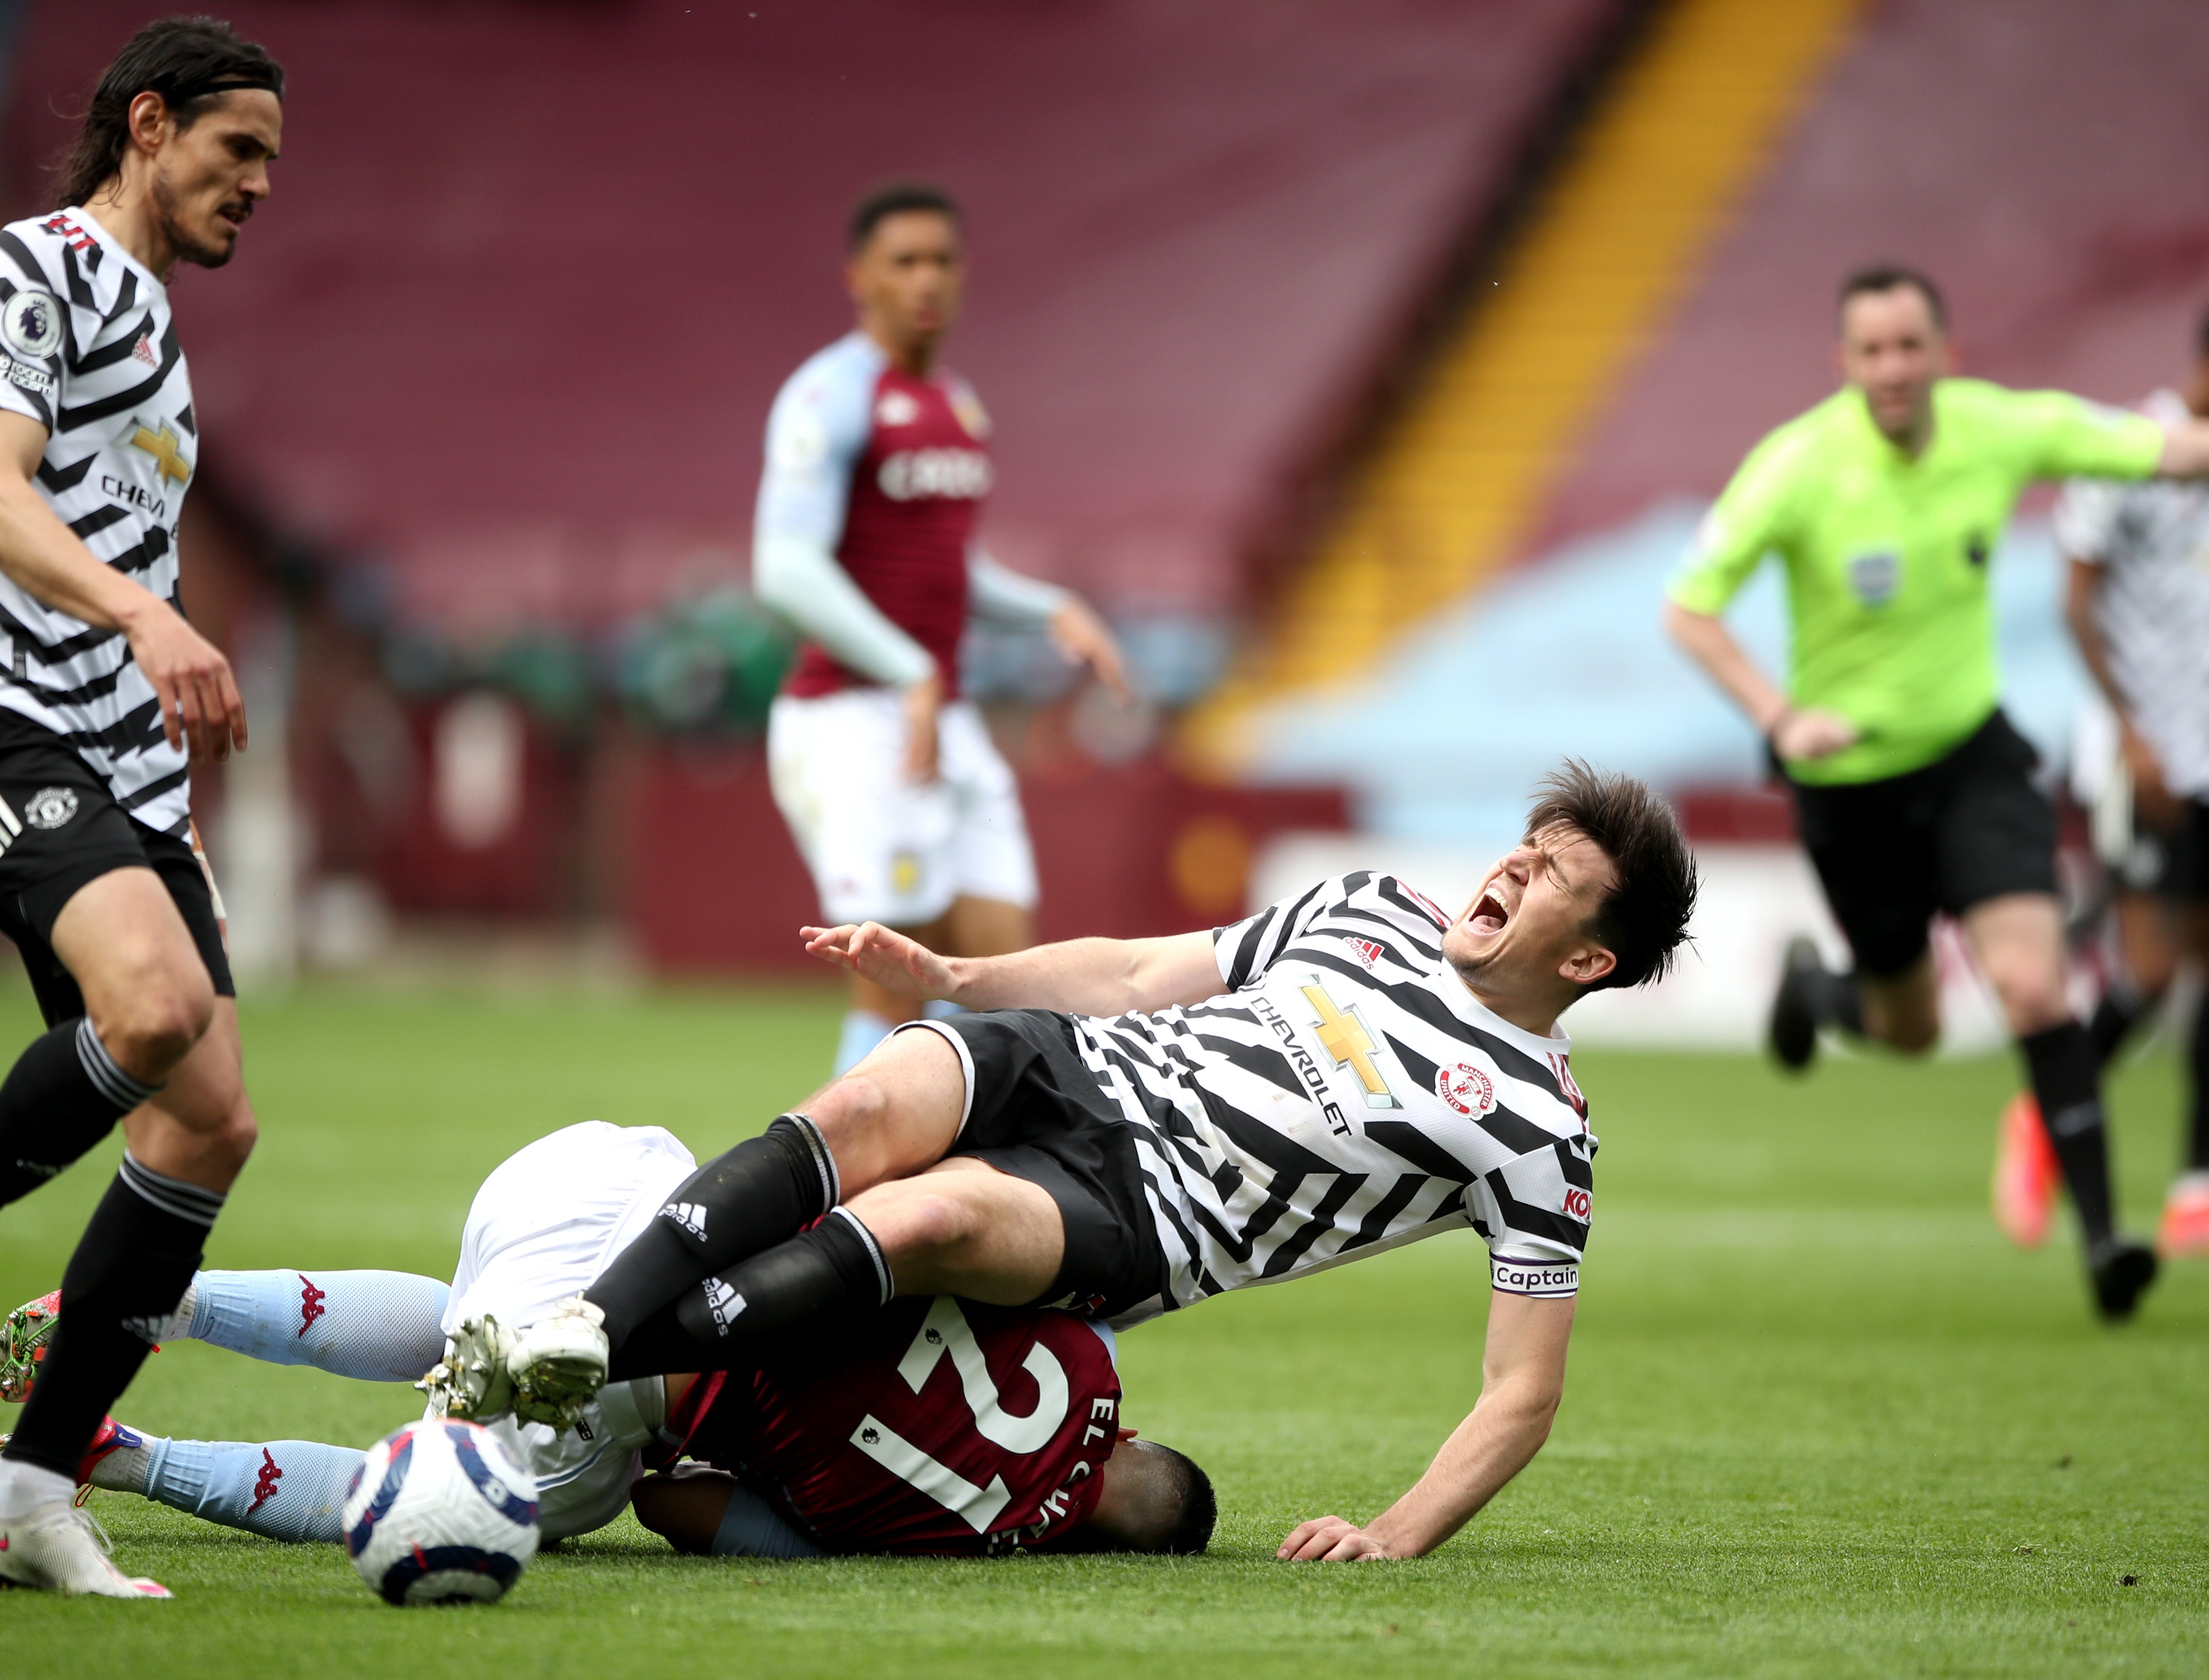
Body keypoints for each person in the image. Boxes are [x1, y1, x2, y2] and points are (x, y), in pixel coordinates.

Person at [538, 762, 1695, 1563]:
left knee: (921, 1223)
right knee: (863, 1105)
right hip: (1066, 1059)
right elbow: (1141, 976)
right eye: (1527, 846)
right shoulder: (1372, 904)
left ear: (1591, 956)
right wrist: (957, 978)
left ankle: (583, 1364)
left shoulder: (1541, 1130)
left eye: (1552, 875)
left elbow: (1523, 1391)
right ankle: (575, 1330)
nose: (1516, 867)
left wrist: (1395, 1532)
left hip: (1134, 1212)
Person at [0, 19, 284, 1597]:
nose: (258, 188)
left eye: (272, 169)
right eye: (238, 153)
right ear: (147, 123)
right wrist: (151, 623)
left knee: (212, 1117)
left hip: (121, 762)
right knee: (158, 1008)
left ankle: (30, 1491)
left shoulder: (159, 329)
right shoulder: (24, 269)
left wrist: (163, 706)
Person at [1662, 265, 2209, 1320]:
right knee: (1909, 1028)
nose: (1894, 369)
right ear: (1845, 364)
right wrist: (1779, 718)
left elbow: (2172, 448)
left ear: (1947, 353)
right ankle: (1817, 993)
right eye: (1872, 351)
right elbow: (1690, 609)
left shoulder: (1997, 429)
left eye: (1911, 346)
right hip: (1851, 789)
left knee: (2038, 990)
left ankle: (2105, 1245)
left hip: (1972, 763)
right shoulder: (1797, 466)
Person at [0, 1122, 1212, 1559]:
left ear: (1137, 1434)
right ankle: (121, 1454)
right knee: (455, 1497)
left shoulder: (1087, 1355)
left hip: (619, 1183)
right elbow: (684, 1515)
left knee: (471, 1326)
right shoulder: (968, 1536)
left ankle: (170, 1299)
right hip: (620, 1375)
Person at [754, 181, 1131, 1081]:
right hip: (849, 718)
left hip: (939, 716)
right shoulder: (828, 394)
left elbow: (942, 566)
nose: (927, 279)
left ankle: (986, 1189)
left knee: (1012, 980)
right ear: (860, 277)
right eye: (904, 261)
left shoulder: (957, 402)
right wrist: (909, 671)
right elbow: (785, 565)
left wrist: (1048, 608)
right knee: (895, 980)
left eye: (943, 260)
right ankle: (837, 1195)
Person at [2025, 306, 2209, 1258]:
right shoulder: (2132, 452)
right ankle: (2046, 1110)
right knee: (2152, 969)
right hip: (2146, 757)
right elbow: (2076, 598)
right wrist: (2134, 729)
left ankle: (2196, 1183)